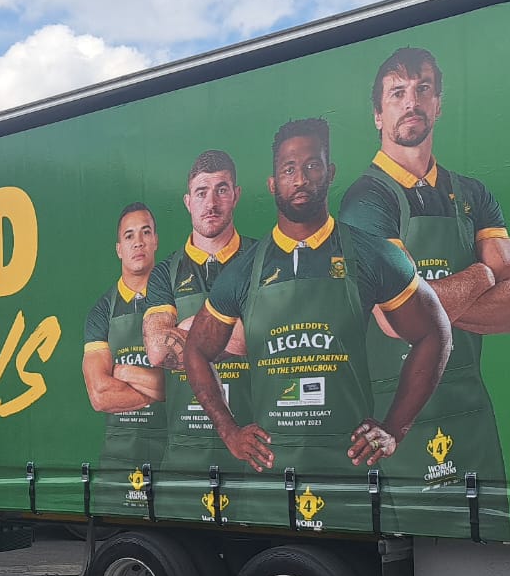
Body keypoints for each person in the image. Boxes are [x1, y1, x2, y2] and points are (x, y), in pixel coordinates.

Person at [183, 118, 450, 529]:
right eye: (288, 169)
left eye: (312, 165)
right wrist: (229, 430)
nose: (300, 179)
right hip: (271, 480)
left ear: (330, 172)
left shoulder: (372, 254)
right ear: (272, 183)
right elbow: (196, 350)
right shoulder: (243, 271)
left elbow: (435, 333)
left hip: (351, 475)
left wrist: (394, 428)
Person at [338, 47, 510, 540]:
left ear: (438, 103)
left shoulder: (472, 194)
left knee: (495, 544)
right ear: (378, 113)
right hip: (403, 416)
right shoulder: (366, 200)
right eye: (397, 93)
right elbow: (395, 320)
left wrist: (429, 305)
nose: (412, 101)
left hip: (473, 413)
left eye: (422, 89)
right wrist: (483, 275)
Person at [142, 150, 255, 480]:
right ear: (188, 201)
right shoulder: (166, 272)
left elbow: (268, 334)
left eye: (222, 189)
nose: (211, 203)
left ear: (236, 195)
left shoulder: (262, 258)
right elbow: (158, 350)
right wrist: (236, 331)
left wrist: (190, 327)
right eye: (202, 192)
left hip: (255, 443)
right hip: (185, 451)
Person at [82, 202, 167, 476]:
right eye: (129, 236)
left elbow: (187, 385)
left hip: (171, 457)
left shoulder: (174, 300)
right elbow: (99, 394)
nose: (138, 242)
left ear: (155, 241)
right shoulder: (102, 311)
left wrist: (124, 372)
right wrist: (162, 390)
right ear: (119, 249)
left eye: (145, 232)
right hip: (117, 463)